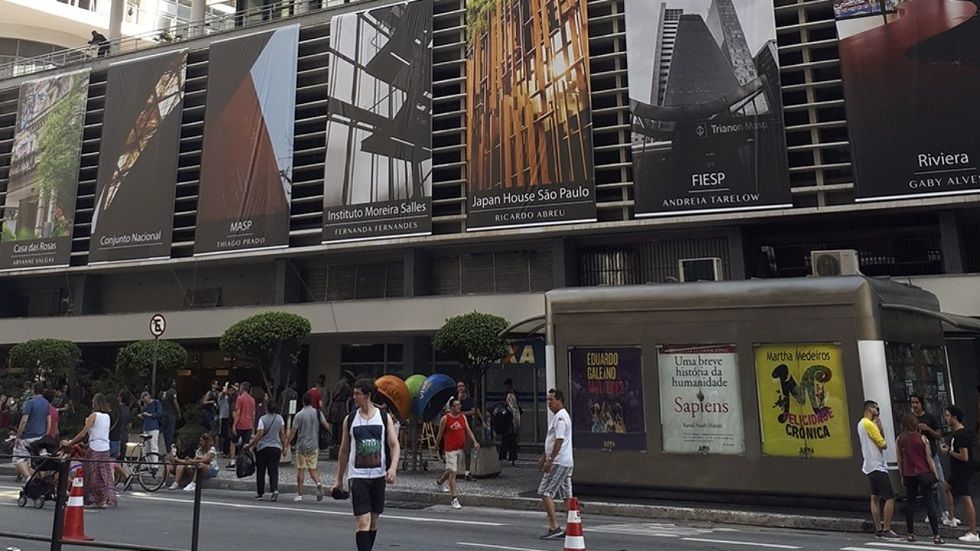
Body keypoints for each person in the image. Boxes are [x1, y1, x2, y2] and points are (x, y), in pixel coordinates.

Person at [331, 378, 401, 551]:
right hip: (358, 477)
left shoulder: (384, 418)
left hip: (379, 475)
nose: (354, 397)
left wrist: (392, 468)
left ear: (368, 395)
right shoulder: (351, 419)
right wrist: (339, 479)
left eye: (358, 394)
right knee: (363, 521)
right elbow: (344, 450)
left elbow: (394, 444)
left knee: (373, 521)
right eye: (354, 393)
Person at [62, 393, 117, 508]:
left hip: (95, 448)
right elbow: (101, 433)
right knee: (103, 473)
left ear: (95, 403)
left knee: (90, 473)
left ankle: (90, 497)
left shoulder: (93, 416)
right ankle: (103, 498)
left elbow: (83, 433)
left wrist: (71, 442)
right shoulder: (107, 417)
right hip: (105, 448)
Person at [896, 412, 942, 544]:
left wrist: (901, 475)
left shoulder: (900, 439)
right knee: (929, 503)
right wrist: (935, 474)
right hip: (923, 472)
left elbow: (899, 459)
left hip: (909, 474)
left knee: (910, 502)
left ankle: (910, 533)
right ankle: (936, 535)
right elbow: (928, 458)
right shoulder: (922, 438)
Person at [909, 393, 955, 526]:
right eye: (912, 403)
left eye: (916, 402)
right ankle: (932, 512)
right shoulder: (910, 419)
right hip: (918, 457)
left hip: (932, 454)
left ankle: (944, 510)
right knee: (926, 484)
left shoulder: (930, 417)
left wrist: (927, 429)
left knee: (940, 481)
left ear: (921, 403)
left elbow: (939, 434)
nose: (914, 405)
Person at [857, 400, 899, 539]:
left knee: (874, 497)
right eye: (877, 408)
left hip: (869, 465)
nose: (878, 412)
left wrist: (878, 427)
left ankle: (878, 528)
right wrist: (878, 428)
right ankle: (887, 528)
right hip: (878, 465)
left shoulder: (860, 424)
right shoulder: (868, 424)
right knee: (890, 497)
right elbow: (883, 444)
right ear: (870, 409)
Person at [538, 388, 573, 540]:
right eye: (547, 400)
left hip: (559, 461)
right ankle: (572, 524)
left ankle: (554, 526)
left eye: (551, 400)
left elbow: (558, 440)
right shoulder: (559, 416)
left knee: (545, 492)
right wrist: (543, 456)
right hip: (564, 461)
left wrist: (550, 460)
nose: (549, 403)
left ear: (559, 400)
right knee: (566, 495)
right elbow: (551, 441)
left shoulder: (560, 418)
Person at [941, 404, 979, 542]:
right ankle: (951, 518)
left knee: (966, 499)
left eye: (947, 415)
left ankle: (973, 532)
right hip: (957, 472)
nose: (945, 418)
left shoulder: (961, 435)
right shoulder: (956, 434)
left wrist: (949, 452)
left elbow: (964, 456)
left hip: (962, 472)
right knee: (945, 486)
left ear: (954, 417)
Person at [435, 398, 480, 510]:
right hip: (450, 450)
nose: (459, 407)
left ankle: (440, 482)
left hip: (460, 449)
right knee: (453, 473)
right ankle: (454, 498)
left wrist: (474, 441)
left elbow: (468, 430)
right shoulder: (445, 419)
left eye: (459, 405)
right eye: (456, 405)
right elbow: (440, 434)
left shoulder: (462, 417)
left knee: (451, 470)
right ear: (451, 407)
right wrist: (436, 446)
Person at [288, 390, 330, 501]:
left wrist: (286, 444)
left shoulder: (299, 415)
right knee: (313, 469)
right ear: (311, 401)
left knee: (301, 470)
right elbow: (326, 426)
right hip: (314, 444)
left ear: (302, 402)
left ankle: (300, 494)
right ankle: (318, 483)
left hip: (302, 445)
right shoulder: (317, 413)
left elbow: (293, 431)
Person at [245, 401, 286, 501]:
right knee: (273, 470)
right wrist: (284, 447)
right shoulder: (280, 418)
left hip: (263, 448)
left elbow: (259, 435)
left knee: (261, 470)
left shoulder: (262, 419)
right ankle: (274, 489)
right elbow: (282, 434)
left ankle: (260, 492)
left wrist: (249, 445)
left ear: (267, 408)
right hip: (276, 447)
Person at [12, 382, 51, 480]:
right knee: (37, 462)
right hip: (40, 436)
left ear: (33, 390)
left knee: (18, 459)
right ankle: (38, 480)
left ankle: (29, 479)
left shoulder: (30, 403)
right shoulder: (46, 403)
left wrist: (18, 436)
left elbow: (24, 420)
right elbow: (48, 420)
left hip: (28, 436)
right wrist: (46, 434)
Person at [229, 381, 255, 469]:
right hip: (249, 424)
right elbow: (253, 414)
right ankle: (245, 462)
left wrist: (234, 425)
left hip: (240, 423)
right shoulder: (252, 400)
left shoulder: (240, 398)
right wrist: (253, 424)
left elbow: (238, 412)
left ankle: (232, 461)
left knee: (233, 441)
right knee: (246, 444)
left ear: (242, 388)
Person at [456, 381, 477, 481]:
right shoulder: (455, 401)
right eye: (459, 386)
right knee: (456, 452)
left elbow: (473, 411)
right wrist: (459, 400)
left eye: (462, 386)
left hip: (467, 428)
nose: (461, 388)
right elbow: (455, 412)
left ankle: (467, 473)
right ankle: (453, 473)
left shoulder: (470, 400)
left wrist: (463, 414)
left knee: (467, 451)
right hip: (457, 429)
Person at [138, 391, 163, 464]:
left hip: (153, 427)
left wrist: (149, 415)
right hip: (146, 427)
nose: (146, 402)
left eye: (146, 400)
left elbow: (159, 413)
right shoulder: (145, 406)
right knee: (147, 447)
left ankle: (155, 464)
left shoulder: (156, 403)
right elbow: (144, 413)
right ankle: (149, 464)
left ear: (149, 397)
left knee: (153, 445)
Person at [499, 379, 521, 465]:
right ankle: (504, 455)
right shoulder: (505, 395)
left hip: (513, 417)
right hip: (507, 417)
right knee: (506, 438)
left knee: (512, 438)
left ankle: (512, 456)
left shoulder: (513, 394)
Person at [160, 385, 181, 455]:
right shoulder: (172, 391)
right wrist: (178, 412)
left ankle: (163, 448)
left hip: (163, 413)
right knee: (170, 432)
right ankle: (168, 449)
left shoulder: (161, 392)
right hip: (170, 413)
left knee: (163, 432)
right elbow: (175, 402)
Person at [218, 382, 234, 456]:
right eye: (230, 390)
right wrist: (226, 385)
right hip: (223, 417)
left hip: (229, 417)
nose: (231, 392)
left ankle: (227, 451)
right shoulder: (222, 396)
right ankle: (222, 450)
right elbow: (224, 392)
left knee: (228, 435)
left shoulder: (230, 398)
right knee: (223, 434)